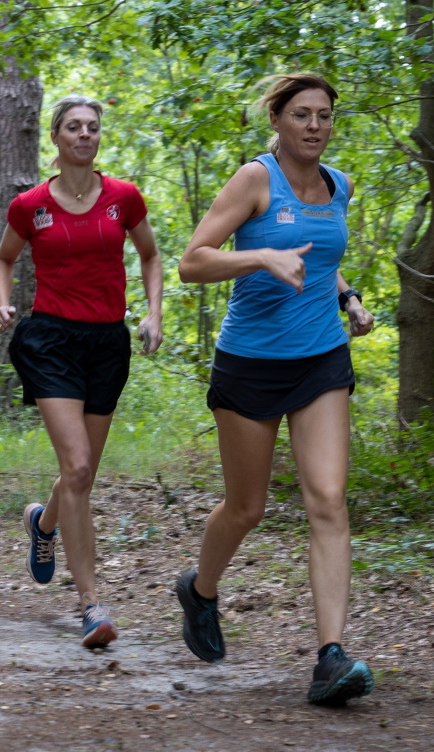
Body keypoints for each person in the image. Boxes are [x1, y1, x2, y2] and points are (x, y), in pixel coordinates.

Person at [175, 73, 376, 707]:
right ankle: (201, 589)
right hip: (251, 364)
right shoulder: (255, 179)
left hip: (320, 359)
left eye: (323, 116)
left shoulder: (338, 185)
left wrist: (348, 297)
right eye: (301, 115)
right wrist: (260, 257)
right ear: (279, 121)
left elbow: (321, 254)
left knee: (329, 498)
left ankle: (330, 657)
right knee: (247, 508)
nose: (314, 126)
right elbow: (192, 261)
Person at [0, 94, 163, 650]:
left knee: (79, 473)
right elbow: (3, 259)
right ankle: (92, 603)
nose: (84, 134)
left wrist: (153, 312)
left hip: (108, 341)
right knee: (81, 466)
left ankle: (44, 525)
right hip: (51, 340)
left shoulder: (124, 199)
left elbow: (151, 255)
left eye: (92, 127)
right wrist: (1, 301)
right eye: (73, 127)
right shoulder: (32, 206)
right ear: (56, 138)